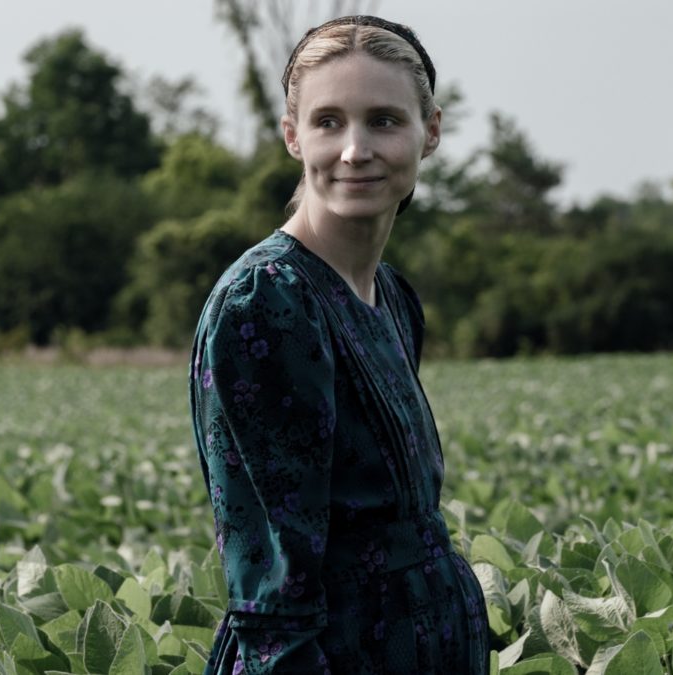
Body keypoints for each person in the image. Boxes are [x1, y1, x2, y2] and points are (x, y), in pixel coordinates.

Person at [188, 15, 490, 674]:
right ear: (292, 136)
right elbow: (274, 584)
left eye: (384, 120)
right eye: (329, 122)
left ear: (430, 131)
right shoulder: (267, 301)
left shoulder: (392, 294)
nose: (355, 150)